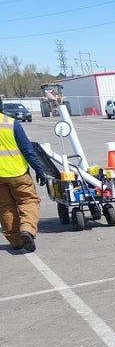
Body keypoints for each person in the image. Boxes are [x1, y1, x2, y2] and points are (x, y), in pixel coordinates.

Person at [0, 95, 46, 252]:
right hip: (18, 173)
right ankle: (27, 229)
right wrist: (39, 169)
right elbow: (27, 149)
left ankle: (15, 242)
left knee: (5, 207)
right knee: (28, 201)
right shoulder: (10, 123)